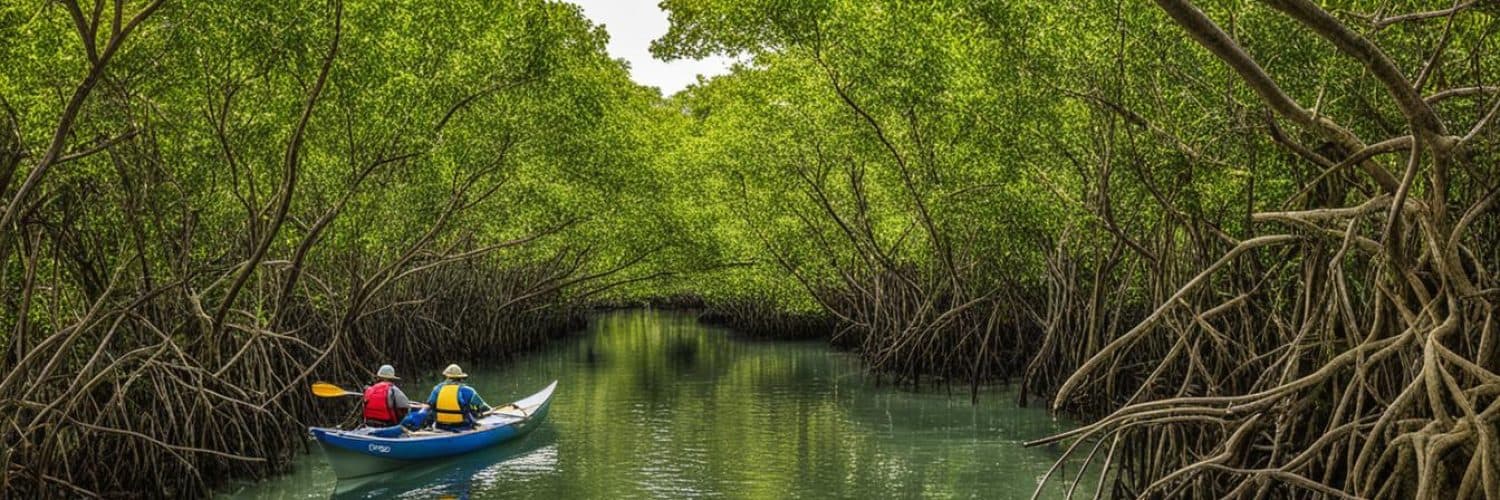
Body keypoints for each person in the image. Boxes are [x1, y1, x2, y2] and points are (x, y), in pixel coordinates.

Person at [426, 364, 492, 430]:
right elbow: (483, 407)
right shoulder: (468, 390)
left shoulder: (437, 389)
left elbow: (429, 405)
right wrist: (490, 410)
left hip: (440, 425)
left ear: (446, 376)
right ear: (460, 378)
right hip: (463, 426)